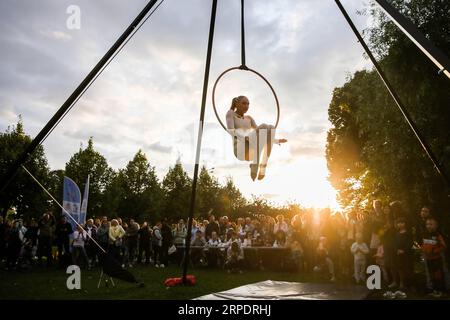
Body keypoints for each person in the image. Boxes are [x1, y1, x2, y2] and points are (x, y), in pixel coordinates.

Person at [225, 95, 287, 180]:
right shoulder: (231, 113)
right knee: (264, 125)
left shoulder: (249, 118)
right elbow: (230, 130)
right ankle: (256, 164)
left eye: (248, 104)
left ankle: (263, 165)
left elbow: (263, 133)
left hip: (252, 151)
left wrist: (276, 141)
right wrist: (243, 137)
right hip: (240, 150)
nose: (246, 106)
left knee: (271, 127)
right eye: (243, 103)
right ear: (237, 103)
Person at [421, 217, 447, 297]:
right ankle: (434, 290)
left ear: (436, 225)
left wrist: (434, 251)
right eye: (427, 224)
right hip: (428, 259)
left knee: (438, 276)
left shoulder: (438, 235)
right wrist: (423, 249)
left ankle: (441, 291)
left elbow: (443, 246)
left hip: (436, 259)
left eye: (431, 224)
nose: (428, 226)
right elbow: (423, 244)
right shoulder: (425, 234)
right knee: (431, 275)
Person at [392, 217, 413, 290]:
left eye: (402, 223)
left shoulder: (408, 233)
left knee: (406, 268)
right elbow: (394, 243)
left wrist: (404, 250)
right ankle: (401, 282)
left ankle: (407, 283)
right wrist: (396, 250)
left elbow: (410, 243)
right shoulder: (397, 234)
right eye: (399, 223)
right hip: (398, 254)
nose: (400, 224)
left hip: (406, 254)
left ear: (405, 224)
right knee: (399, 268)